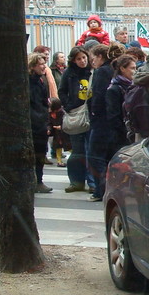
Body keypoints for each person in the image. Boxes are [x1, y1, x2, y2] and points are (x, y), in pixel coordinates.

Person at [57, 46, 93, 193]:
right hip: (75, 114)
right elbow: (62, 91)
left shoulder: (92, 72)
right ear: (73, 60)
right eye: (78, 59)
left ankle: (92, 183)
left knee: (90, 150)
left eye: (84, 57)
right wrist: (69, 105)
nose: (82, 61)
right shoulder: (69, 74)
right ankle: (76, 181)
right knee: (77, 150)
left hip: (90, 115)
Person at [85, 44, 113, 201]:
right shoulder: (111, 69)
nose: (92, 61)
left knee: (95, 156)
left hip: (100, 120)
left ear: (100, 57)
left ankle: (100, 190)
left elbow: (98, 95)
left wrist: (94, 112)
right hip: (109, 120)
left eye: (93, 58)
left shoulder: (101, 71)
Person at [28, 52, 53, 193]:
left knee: (41, 153)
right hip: (33, 122)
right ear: (33, 66)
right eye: (41, 64)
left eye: (44, 63)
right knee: (34, 154)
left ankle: (39, 180)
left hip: (41, 121)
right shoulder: (29, 81)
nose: (44, 66)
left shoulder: (41, 80)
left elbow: (44, 102)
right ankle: (33, 181)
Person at [104, 55, 137, 159]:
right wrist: (125, 131)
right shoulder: (114, 89)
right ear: (122, 69)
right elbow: (113, 117)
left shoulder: (133, 87)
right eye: (132, 68)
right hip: (119, 138)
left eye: (135, 68)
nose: (135, 71)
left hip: (130, 134)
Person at [49, 97, 69, 166]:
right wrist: (49, 129)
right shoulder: (51, 114)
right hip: (56, 134)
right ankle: (59, 161)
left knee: (68, 146)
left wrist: (61, 126)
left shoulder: (62, 113)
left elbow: (65, 121)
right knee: (58, 147)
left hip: (63, 133)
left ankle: (74, 159)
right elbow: (49, 123)